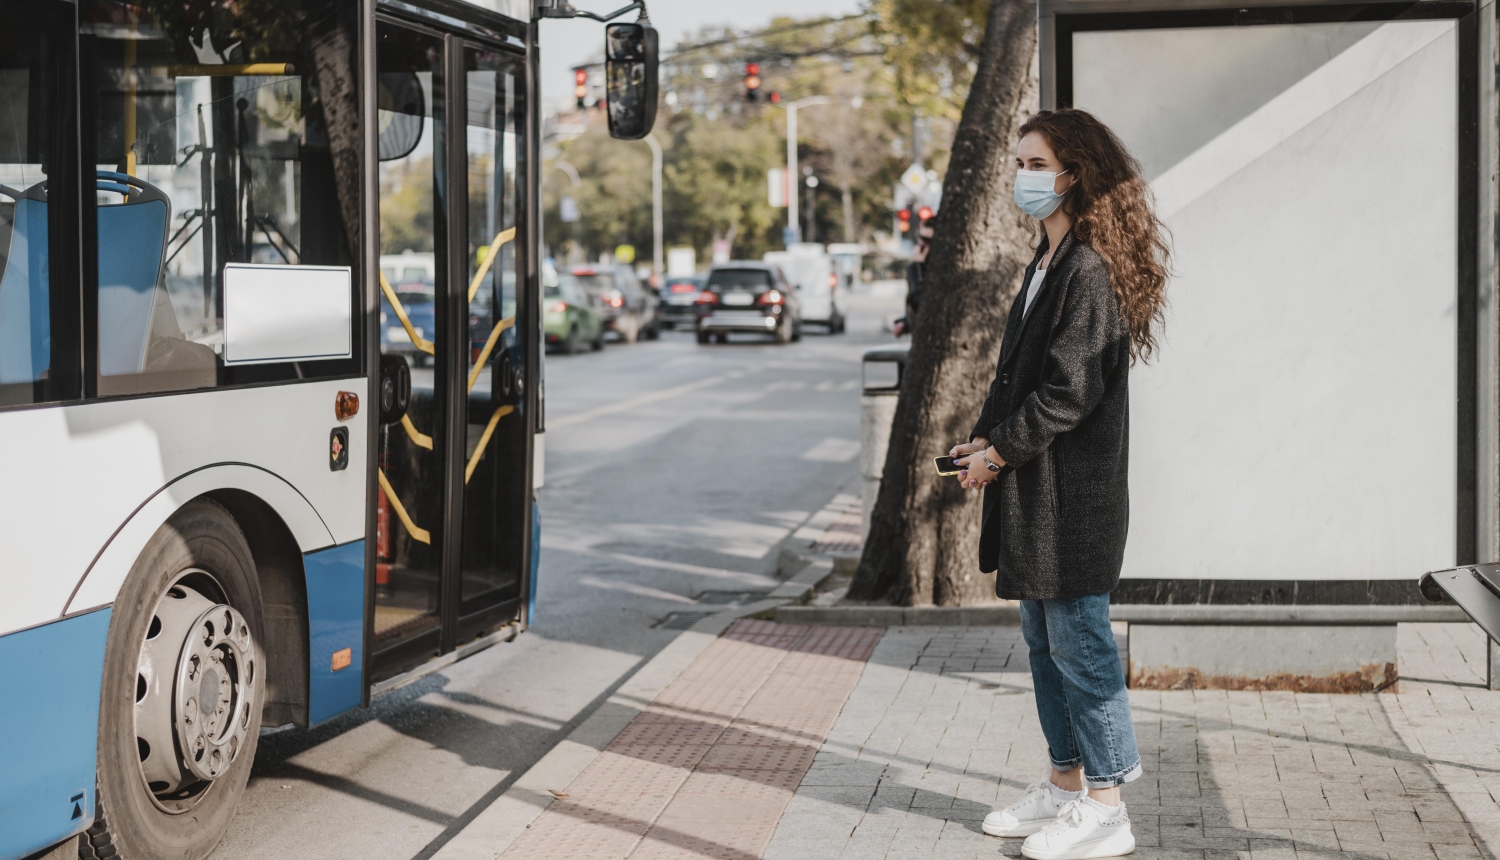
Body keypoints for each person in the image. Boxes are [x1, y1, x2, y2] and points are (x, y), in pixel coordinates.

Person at [949, 109, 1170, 860]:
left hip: (1073, 499)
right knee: (1045, 644)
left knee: (1082, 646)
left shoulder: (1089, 270)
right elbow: (1018, 378)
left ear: (1075, 173)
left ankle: (1108, 806)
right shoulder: (1046, 261)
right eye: (1021, 162)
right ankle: (1064, 785)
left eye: (1036, 164)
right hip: (1035, 494)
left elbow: (1068, 393)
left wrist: (999, 455)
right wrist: (983, 438)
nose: (1023, 177)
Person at [892, 218, 934, 337]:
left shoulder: (923, 269)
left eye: (927, 241)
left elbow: (923, 302)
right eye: (920, 238)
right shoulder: (920, 267)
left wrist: (916, 268)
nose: (921, 246)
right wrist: (904, 323)